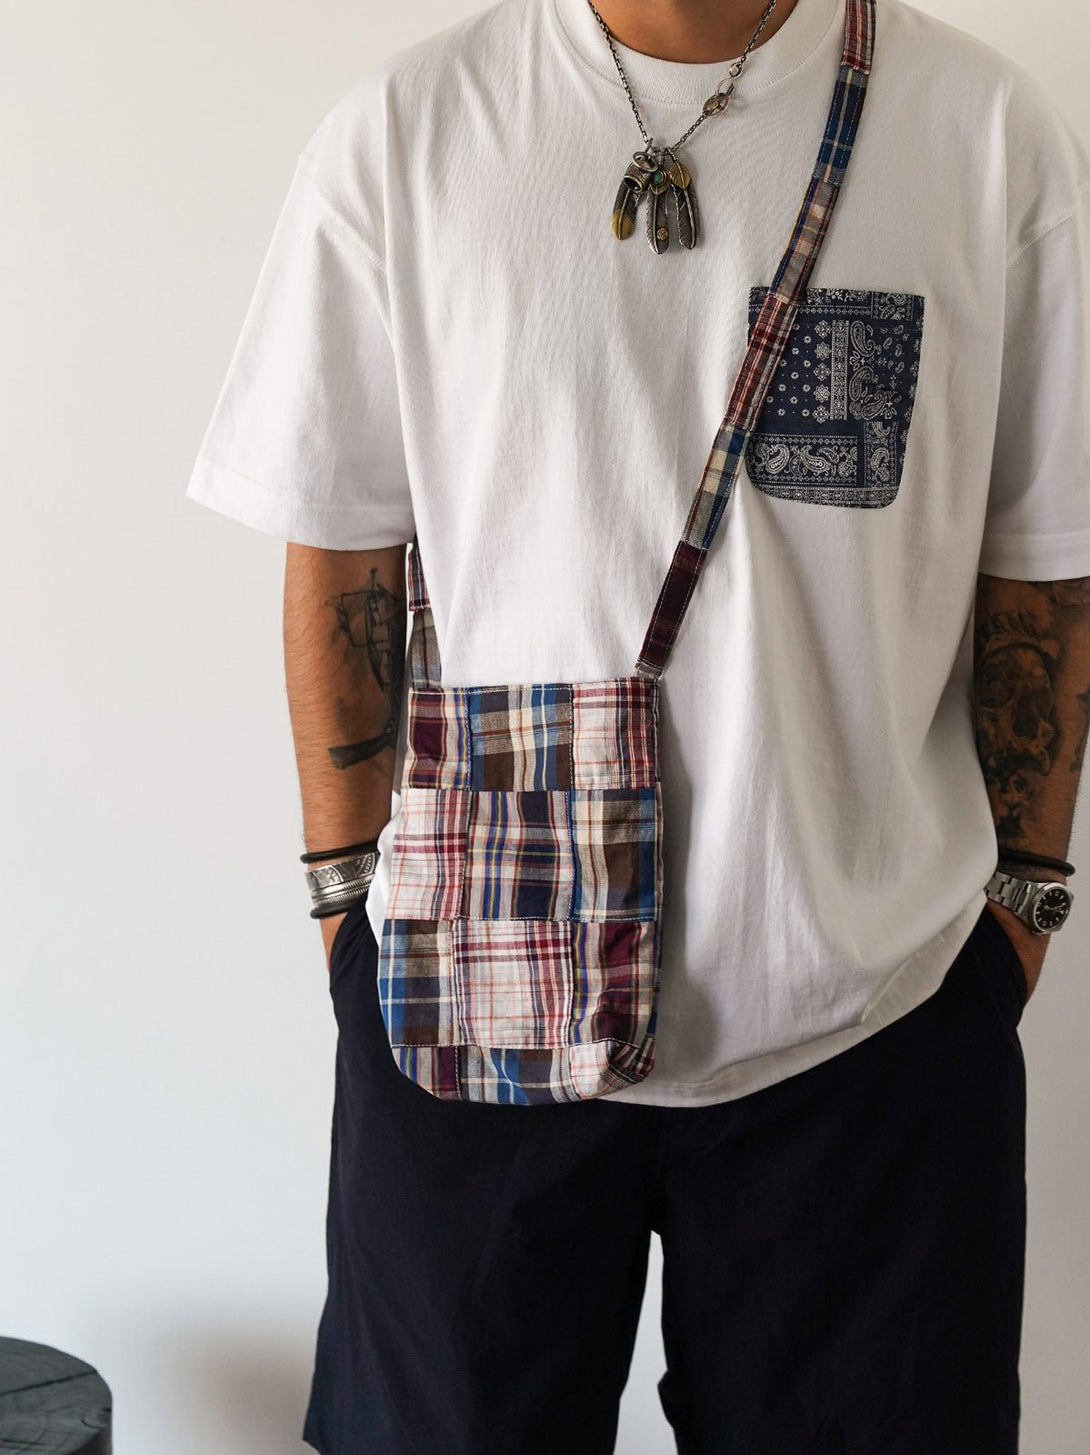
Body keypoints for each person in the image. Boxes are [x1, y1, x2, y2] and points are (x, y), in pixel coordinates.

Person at [185, 0, 1090, 1447]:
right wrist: (348, 914)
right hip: (472, 993)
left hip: (879, 1022)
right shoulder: (409, 134)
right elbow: (342, 549)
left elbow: (1039, 569)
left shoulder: (985, 135)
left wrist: (1021, 912)